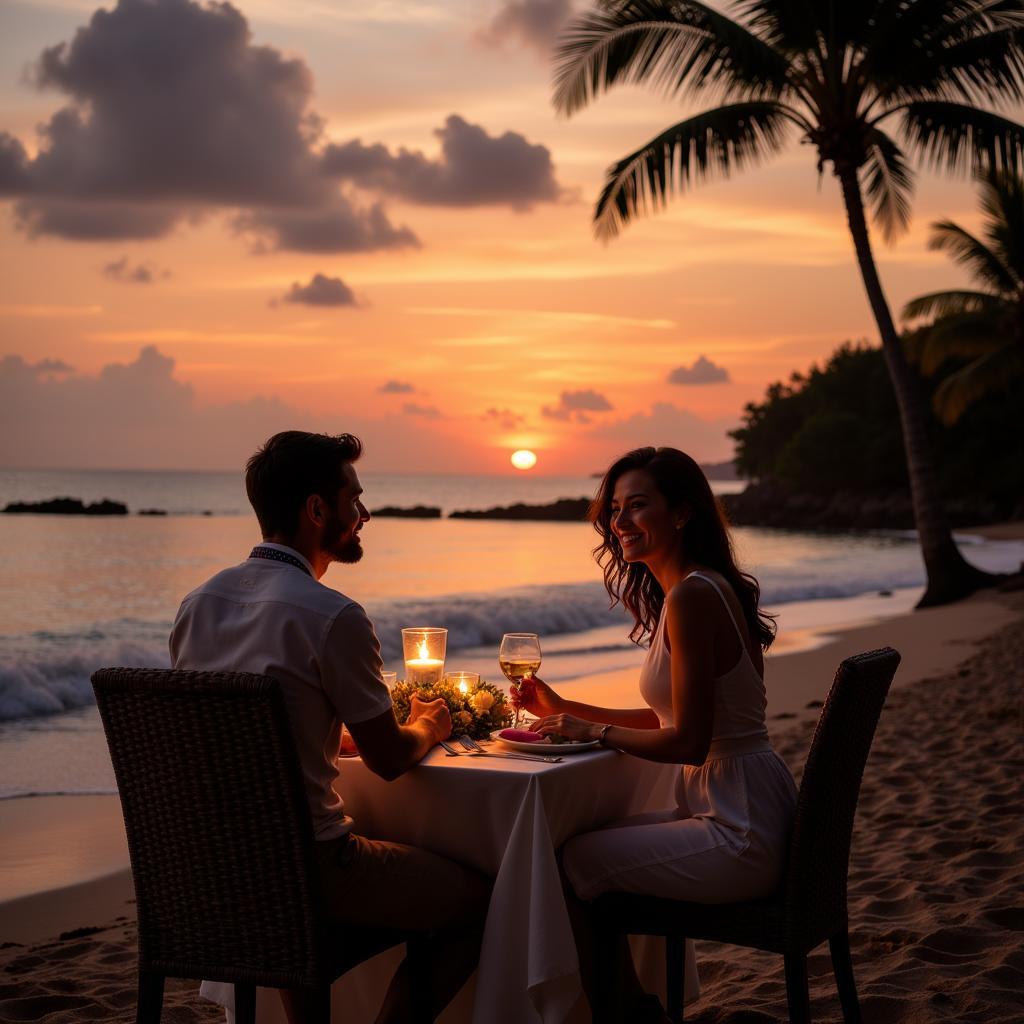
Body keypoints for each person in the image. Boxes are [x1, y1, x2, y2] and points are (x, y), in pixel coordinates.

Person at [170, 430, 489, 1024]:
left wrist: (327, 734)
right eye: (355, 500)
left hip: (217, 871)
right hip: (312, 870)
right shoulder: (332, 615)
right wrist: (427, 723)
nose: (364, 515)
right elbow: (390, 760)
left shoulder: (198, 604)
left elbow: (234, 732)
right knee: (480, 901)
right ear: (317, 510)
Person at [513, 446, 798, 1020]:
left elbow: (689, 743)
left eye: (637, 506)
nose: (619, 523)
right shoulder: (692, 590)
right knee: (578, 848)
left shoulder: (693, 596)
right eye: (614, 509)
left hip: (739, 826)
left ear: (682, 513)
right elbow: (673, 720)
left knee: (569, 861)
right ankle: (631, 1007)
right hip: (745, 804)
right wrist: (566, 706)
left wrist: (592, 732)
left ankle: (627, 1012)